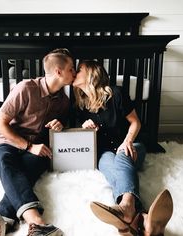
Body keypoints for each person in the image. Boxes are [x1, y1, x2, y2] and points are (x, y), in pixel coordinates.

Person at [0, 48, 76, 236]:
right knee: (4, 162)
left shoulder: (63, 101)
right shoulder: (26, 87)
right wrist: (29, 146)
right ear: (58, 71)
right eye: (71, 69)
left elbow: (63, 124)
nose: (75, 73)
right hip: (8, 141)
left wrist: (59, 124)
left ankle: (3, 217)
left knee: (27, 171)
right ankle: (36, 222)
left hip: (37, 149)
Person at [72, 60, 173, 236]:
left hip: (132, 145)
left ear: (91, 73)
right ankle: (141, 217)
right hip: (104, 152)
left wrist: (127, 141)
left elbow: (135, 122)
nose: (74, 72)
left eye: (79, 69)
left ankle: (125, 208)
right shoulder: (80, 105)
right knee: (110, 167)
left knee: (122, 156)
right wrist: (86, 129)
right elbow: (78, 139)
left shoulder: (116, 93)